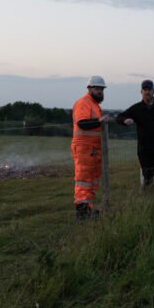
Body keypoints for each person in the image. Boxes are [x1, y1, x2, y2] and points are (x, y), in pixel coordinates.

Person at [116, 79, 154, 189]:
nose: (147, 92)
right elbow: (119, 117)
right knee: (147, 178)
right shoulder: (137, 108)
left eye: (149, 89)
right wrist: (125, 121)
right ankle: (148, 198)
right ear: (141, 92)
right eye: (145, 90)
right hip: (145, 150)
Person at [71, 75, 111, 220]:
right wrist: (100, 120)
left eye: (102, 89)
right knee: (84, 180)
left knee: (91, 180)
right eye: (97, 88)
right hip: (84, 148)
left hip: (92, 149)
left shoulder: (95, 105)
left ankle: (88, 209)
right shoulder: (83, 103)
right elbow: (82, 123)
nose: (100, 91)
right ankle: (82, 213)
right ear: (89, 89)